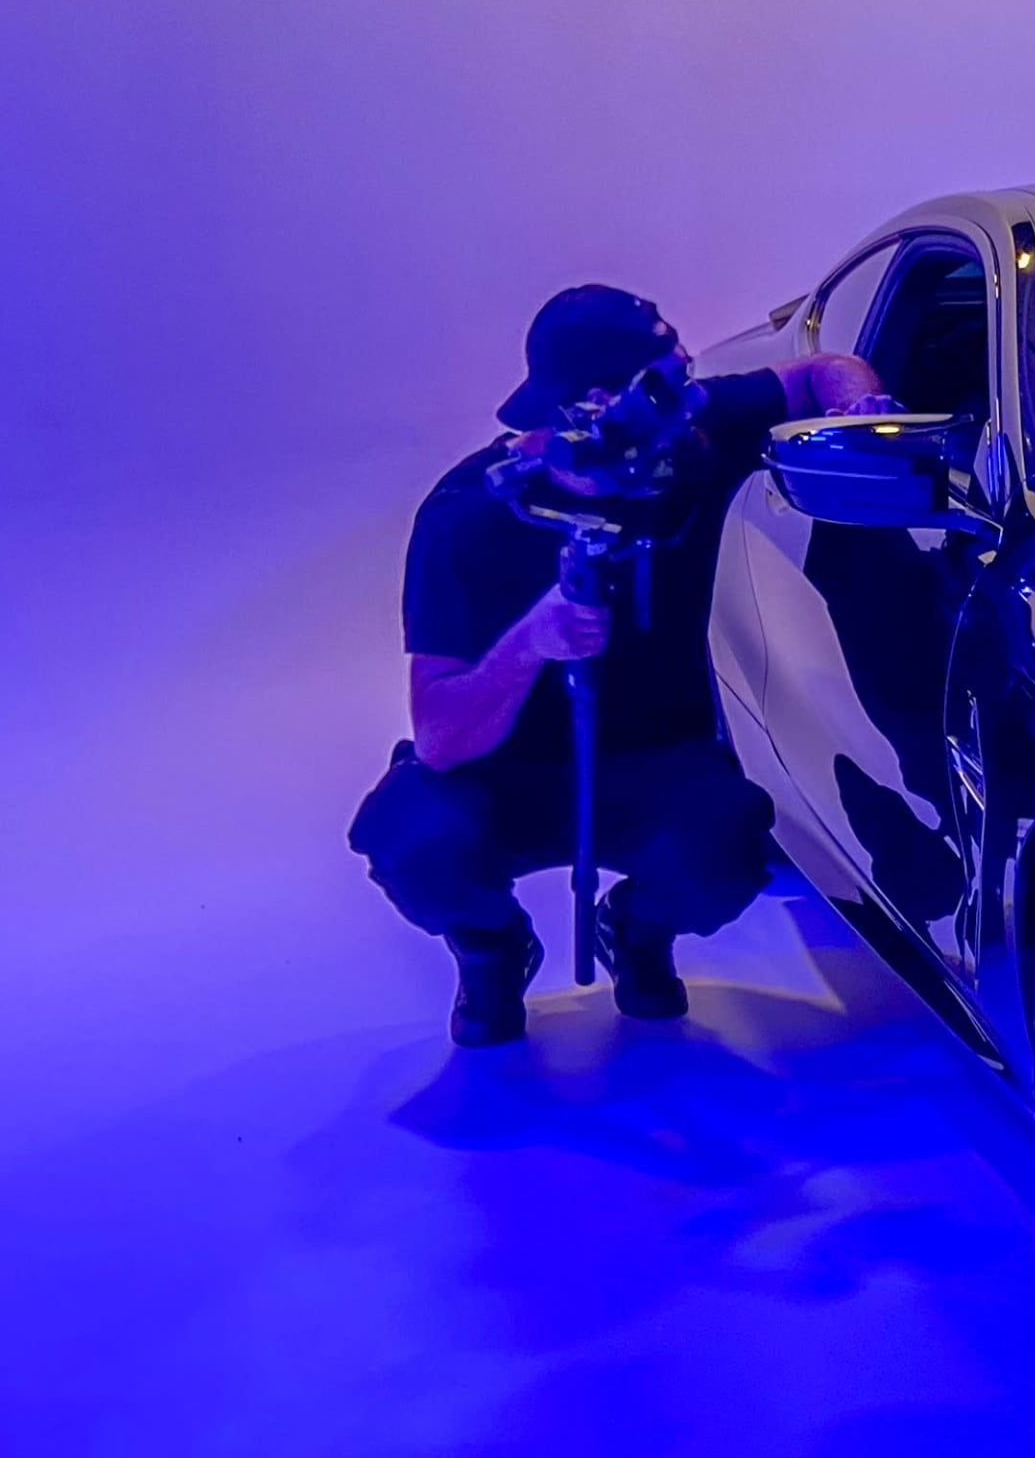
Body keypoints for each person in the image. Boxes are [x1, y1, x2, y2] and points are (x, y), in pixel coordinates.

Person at [348, 284, 894, 1046]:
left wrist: (861, 414)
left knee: (725, 852)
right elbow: (439, 734)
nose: (688, 394)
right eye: (668, 379)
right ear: (600, 403)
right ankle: (491, 948)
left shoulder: (683, 436)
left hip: (651, 758)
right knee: (417, 848)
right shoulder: (467, 519)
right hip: (497, 772)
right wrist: (532, 641)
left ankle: (636, 930)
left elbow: (820, 372)